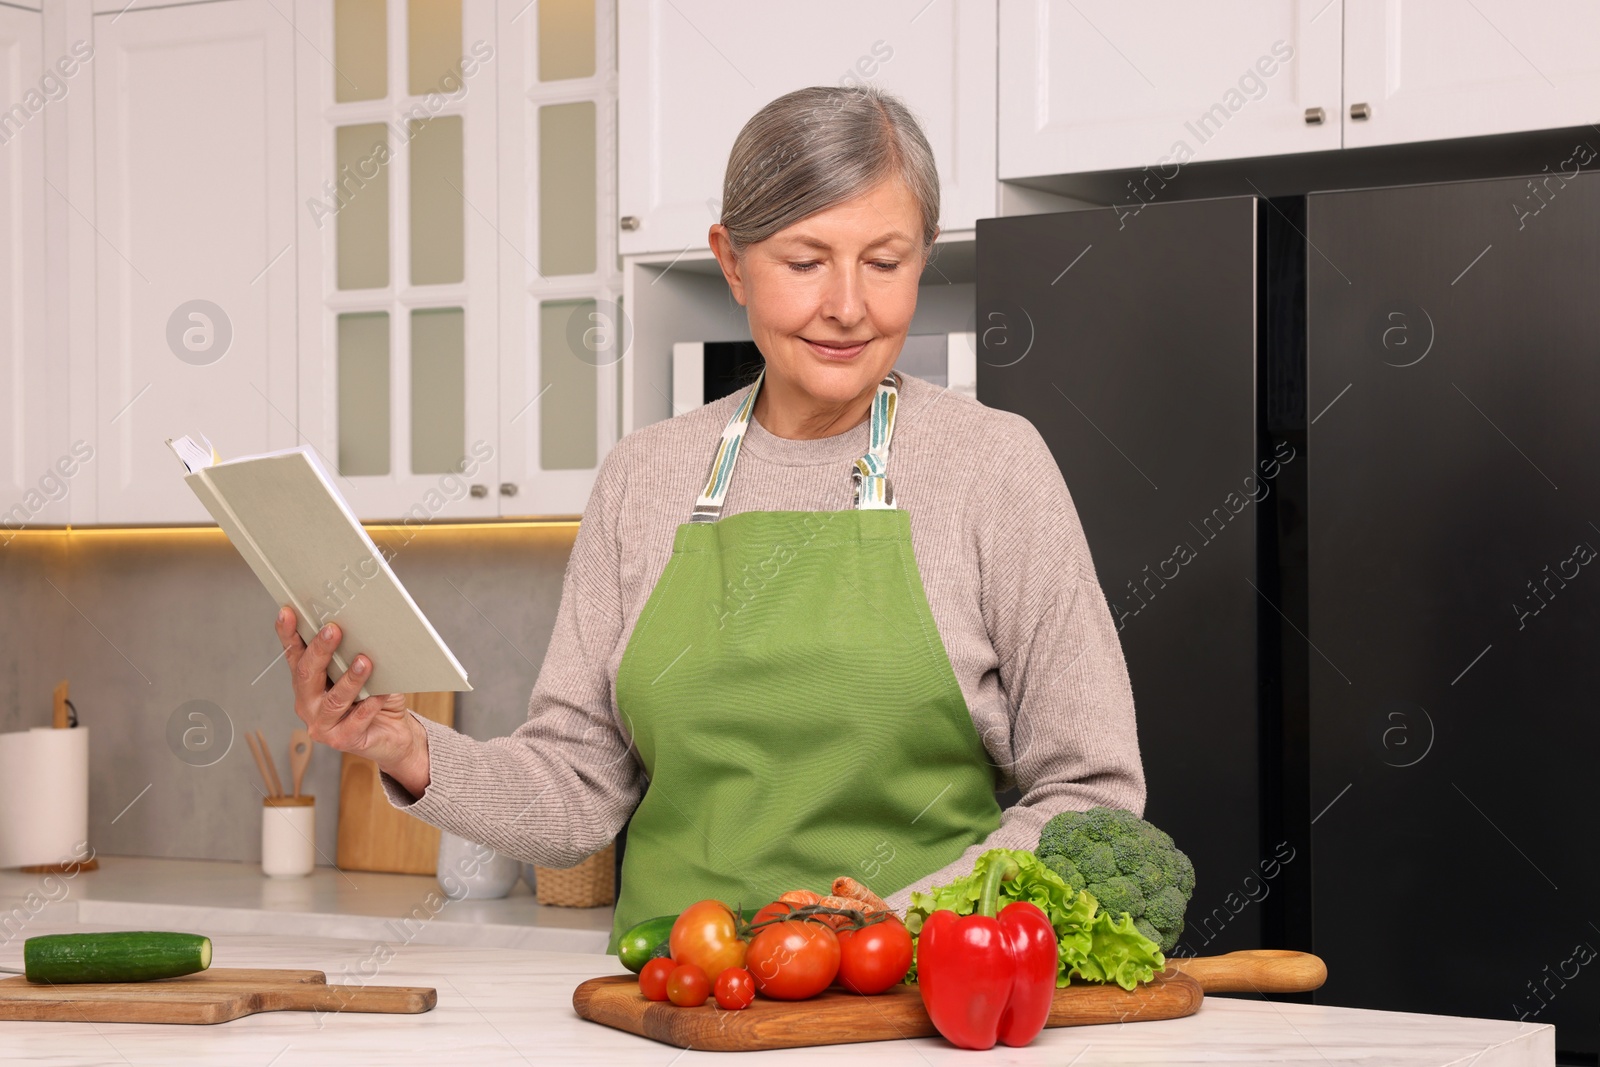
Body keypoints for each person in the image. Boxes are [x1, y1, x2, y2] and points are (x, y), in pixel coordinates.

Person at [274, 86, 1144, 950]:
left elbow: (1093, 788)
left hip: (910, 1003)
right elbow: (576, 787)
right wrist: (404, 745)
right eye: (806, 262)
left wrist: (907, 921)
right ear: (731, 261)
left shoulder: (993, 466)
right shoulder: (643, 477)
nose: (848, 304)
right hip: (675, 997)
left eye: (885, 261)